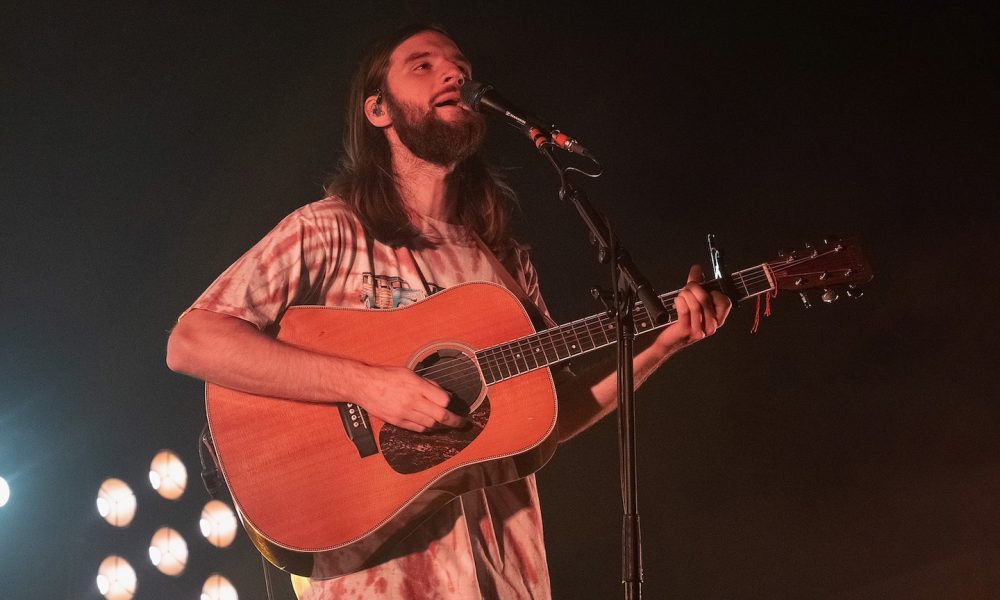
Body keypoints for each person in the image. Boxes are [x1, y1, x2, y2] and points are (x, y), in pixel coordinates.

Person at [166, 23, 731, 600]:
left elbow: (550, 414)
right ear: (378, 110)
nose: (454, 73)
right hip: (379, 580)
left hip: (509, 577)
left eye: (458, 64)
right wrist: (370, 386)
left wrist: (663, 345)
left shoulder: (506, 262)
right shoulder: (326, 230)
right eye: (423, 65)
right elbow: (193, 341)